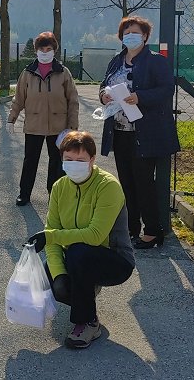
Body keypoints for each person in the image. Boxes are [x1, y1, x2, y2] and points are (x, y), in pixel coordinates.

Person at [27, 131, 135, 350]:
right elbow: (53, 232)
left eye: (80, 160)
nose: (74, 165)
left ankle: (87, 322)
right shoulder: (59, 187)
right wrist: (59, 276)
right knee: (48, 279)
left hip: (115, 259)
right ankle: (84, 288)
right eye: (69, 160)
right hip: (78, 257)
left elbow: (94, 235)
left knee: (78, 251)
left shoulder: (108, 186)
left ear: (92, 160)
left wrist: (51, 236)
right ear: (62, 159)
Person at [98, 15, 180, 248]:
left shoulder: (155, 61)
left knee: (143, 183)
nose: (130, 36)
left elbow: (166, 89)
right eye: (126, 33)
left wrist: (139, 97)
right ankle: (131, 228)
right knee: (126, 183)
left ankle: (153, 231)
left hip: (145, 133)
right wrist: (104, 95)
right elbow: (104, 84)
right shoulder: (116, 60)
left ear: (145, 36)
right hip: (120, 130)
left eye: (135, 32)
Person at [7, 32, 79, 207]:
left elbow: (73, 101)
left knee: (56, 162)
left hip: (58, 127)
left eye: (49, 49)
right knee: (30, 160)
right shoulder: (27, 73)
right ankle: (24, 194)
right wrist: (11, 119)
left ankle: (54, 195)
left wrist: (72, 127)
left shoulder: (63, 73)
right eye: (42, 49)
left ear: (54, 50)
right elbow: (19, 98)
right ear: (36, 51)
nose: (45, 52)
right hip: (33, 124)